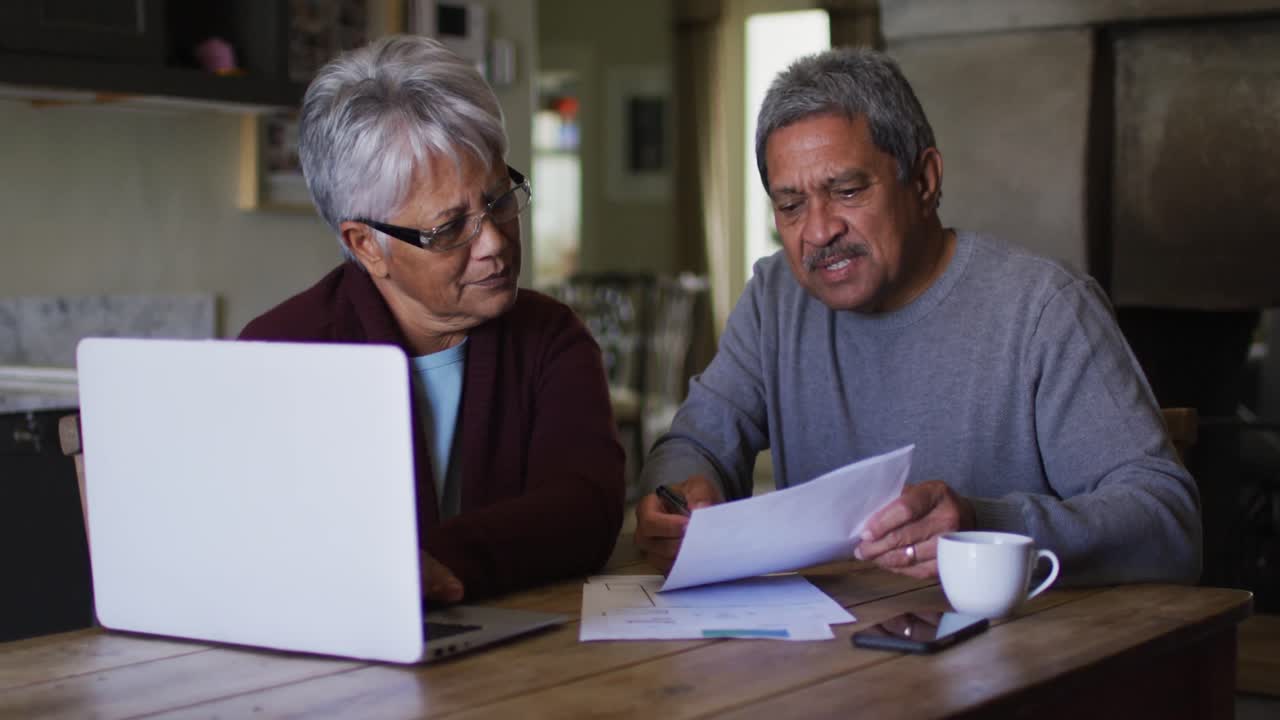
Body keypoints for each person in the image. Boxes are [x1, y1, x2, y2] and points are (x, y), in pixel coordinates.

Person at [634, 47, 1200, 587]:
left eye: (848, 190)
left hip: (1016, 658)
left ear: (925, 181)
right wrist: (683, 496)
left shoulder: (1043, 308)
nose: (817, 230)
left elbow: (1169, 523)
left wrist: (985, 527)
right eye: (790, 205)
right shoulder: (775, 301)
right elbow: (693, 446)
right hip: (828, 660)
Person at [240, 35, 625, 603]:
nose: (493, 242)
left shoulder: (552, 339)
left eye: (498, 201)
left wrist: (434, 565)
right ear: (366, 245)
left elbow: (584, 508)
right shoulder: (278, 353)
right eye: (449, 229)